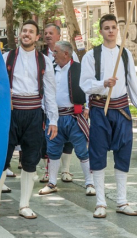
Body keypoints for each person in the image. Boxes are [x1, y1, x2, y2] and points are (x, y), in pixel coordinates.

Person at [0, 20, 58, 220]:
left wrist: (53, 120)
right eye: (24, 31)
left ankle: (24, 205)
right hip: (9, 114)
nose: (26, 34)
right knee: (2, 158)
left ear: (37, 37)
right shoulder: (5, 57)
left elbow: (50, 94)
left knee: (30, 161)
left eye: (31, 32)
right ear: (19, 35)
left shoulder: (44, 61)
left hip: (34, 114)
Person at [80, 14, 137, 219]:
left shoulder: (125, 54)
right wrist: (103, 84)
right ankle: (101, 203)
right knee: (98, 154)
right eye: (106, 28)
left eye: (113, 27)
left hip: (121, 110)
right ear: (100, 32)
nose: (110, 31)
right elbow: (84, 83)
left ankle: (121, 201)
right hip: (100, 109)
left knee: (123, 154)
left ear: (118, 30)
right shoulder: (91, 56)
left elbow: (132, 81)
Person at [39, 41, 95, 197]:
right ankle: (52, 183)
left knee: (82, 150)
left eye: (56, 52)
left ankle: (89, 182)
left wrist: (88, 107)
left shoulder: (79, 68)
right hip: (54, 118)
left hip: (74, 116)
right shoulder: (50, 69)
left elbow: (89, 88)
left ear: (66, 53)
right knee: (53, 150)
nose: (53, 55)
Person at [40, 23, 79, 183]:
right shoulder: (41, 55)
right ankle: (48, 171)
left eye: (51, 33)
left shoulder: (70, 53)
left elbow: (77, 75)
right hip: (47, 104)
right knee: (46, 138)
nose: (48, 35)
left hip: (68, 107)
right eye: (45, 33)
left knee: (68, 140)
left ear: (58, 36)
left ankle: (65, 170)